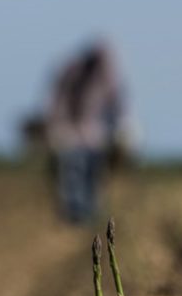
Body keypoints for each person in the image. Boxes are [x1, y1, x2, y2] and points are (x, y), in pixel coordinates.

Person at [45, 40, 127, 224]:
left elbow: (118, 105)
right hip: (71, 136)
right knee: (73, 176)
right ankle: (74, 214)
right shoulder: (72, 72)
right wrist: (57, 128)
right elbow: (57, 101)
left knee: (94, 177)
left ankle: (89, 213)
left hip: (97, 138)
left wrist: (122, 126)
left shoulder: (109, 77)